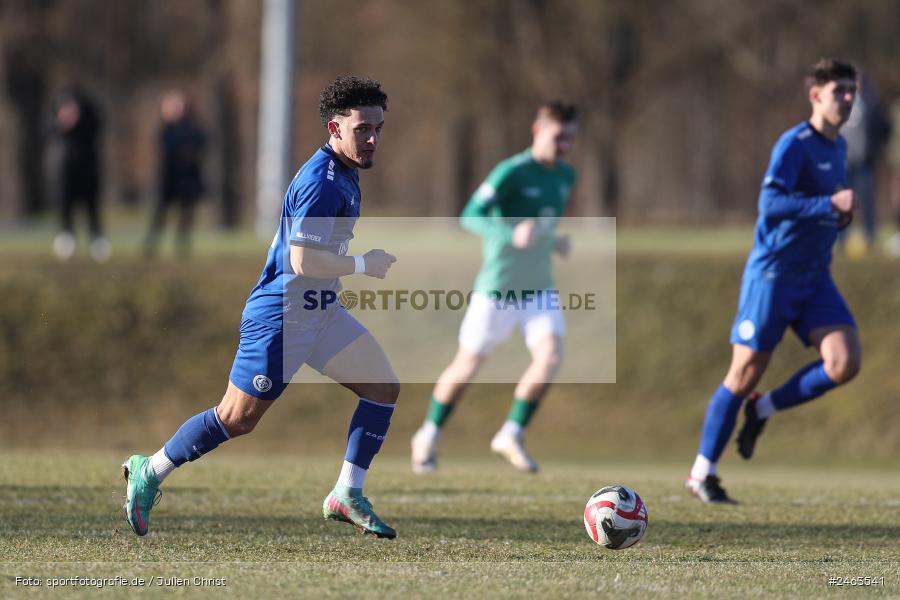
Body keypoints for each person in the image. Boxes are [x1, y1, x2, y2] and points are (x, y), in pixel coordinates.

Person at [123, 76, 401, 538]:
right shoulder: (323, 182)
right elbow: (302, 260)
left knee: (383, 387)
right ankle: (149, 469)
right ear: (335, 129)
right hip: (282, 316)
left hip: (318, 310)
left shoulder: (346, 172)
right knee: (236, 419)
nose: (372, 139)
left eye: (378, 128)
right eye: (362, 129)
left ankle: (346, 493)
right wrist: (361, 264)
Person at [686, 59, 862, 503]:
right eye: (838, 90)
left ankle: (763, 408)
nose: (847, 98)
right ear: (815, 95)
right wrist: (828, 205)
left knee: (844, 362)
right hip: (773, 276)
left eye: (851, 90)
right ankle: (702, 473)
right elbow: (770, 202)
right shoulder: (795, 144)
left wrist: (837, 215)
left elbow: (822, 204)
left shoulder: (839, 147)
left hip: (815, 278)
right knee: (744, 372)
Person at [410, 101, 578, 474]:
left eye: (569, 138)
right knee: (467, 364)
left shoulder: (566, 175)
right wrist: (509, 232)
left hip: (539, 289)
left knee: (550, 357)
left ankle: (511, 434)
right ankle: (428, 434)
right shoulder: (511, 172)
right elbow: (470, 216)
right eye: (558, 137)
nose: (564, 146)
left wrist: (554, 242)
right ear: (538, 130)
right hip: (498, 289)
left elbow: (539, 226)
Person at [47, 85, 110, 262]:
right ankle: (66, 240)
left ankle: (97, 241)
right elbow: (47, 131)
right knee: (65, 207)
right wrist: (61, 124)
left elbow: (99, 125)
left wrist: (79, 121)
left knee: (92, 208)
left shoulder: (89, 123)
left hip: (88, 171)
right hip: (65, 172)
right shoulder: (57, 129)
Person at [144, 90, 208, 258]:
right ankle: (151, 246)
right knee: (160, 213)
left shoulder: (192, 128)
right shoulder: (165, 130)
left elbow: (202, 143)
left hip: (187, 178)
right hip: (168, 179)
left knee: (186, 214)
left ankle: (182, 247)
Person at [839, 73, 890, 256]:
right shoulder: (839, 102)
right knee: (843, 202)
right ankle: (841, 238)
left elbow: (883, 127)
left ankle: (870, 237)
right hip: (844, 162)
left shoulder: (871, 102)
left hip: (864, 162)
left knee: (867, 202)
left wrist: (874, 148)